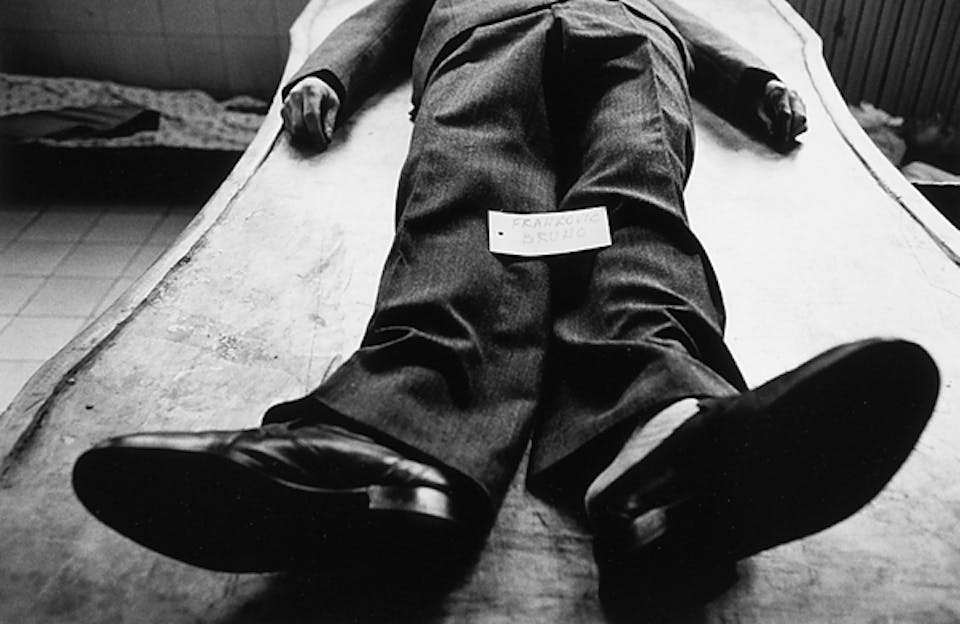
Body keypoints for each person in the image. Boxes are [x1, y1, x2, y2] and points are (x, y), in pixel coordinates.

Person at [72, 0, 939, 606]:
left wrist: (753, 82)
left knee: (635, 203)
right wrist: (329, 72)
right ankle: (396, 446)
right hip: (484, 38)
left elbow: (689, 24)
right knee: (468, 198)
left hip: (631, 42)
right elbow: (384, 16)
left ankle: (662, 444)